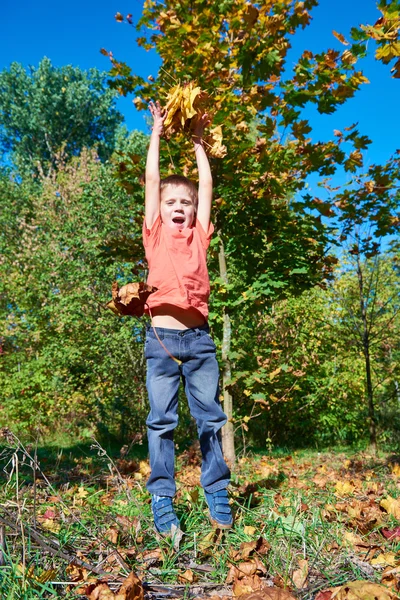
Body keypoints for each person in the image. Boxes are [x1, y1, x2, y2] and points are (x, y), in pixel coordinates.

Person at [142, 100, 232, 534]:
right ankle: (163, 501)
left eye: (186, 203)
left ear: (196, 213)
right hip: (161, 339)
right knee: (161, 422)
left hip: (199, 342)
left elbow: (207, 185)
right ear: (159, 210)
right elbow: (154, 179)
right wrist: (157, 132)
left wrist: (199, 143)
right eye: (171, 202)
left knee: (210, 419)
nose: (179, 206)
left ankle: (217, 496)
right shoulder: (155, 233)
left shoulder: (198, 234)